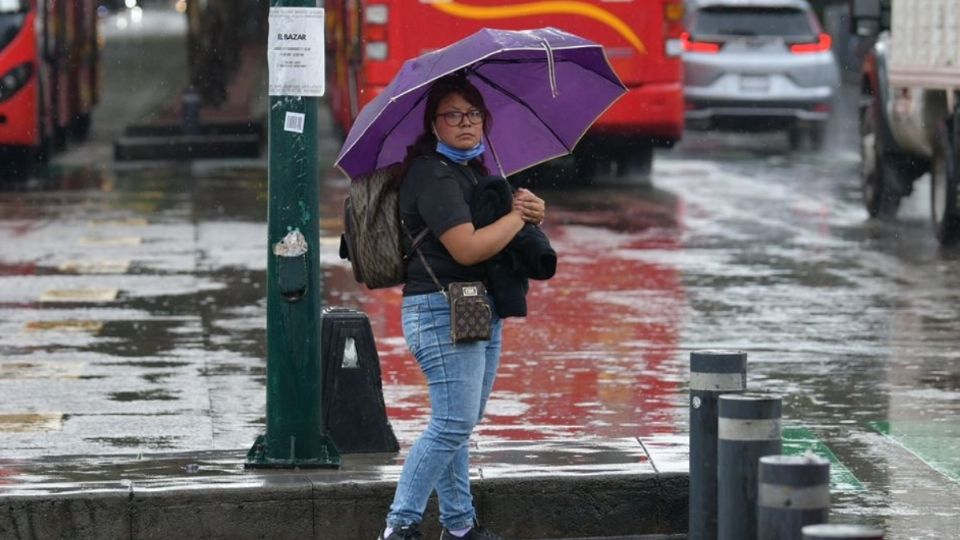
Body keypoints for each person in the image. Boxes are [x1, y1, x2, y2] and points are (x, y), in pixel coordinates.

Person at [378, 74, 547, 540]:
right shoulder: (431, 174)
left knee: (458, 423)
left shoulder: (474, 170)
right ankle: (399, 526)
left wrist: (528, 213)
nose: (466, 123)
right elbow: (468, 249)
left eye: (473, 114)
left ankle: (458, 527)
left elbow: (497, 235)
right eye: (452, 115)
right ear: (434, 124)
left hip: (475, 308)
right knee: (452, 423)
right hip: (438, 309)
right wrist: (516, 217)